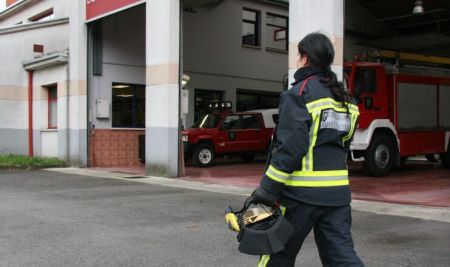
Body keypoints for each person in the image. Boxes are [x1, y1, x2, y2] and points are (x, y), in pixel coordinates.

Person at [250, 32, 364, 267]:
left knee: (276, 254)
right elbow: (345, 142)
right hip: (337, 195)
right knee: (341, 257)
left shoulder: (300, 93)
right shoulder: (346, 100)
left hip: (300, 196)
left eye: (298, 55)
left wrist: (267, 188)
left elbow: (291, 147)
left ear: (304, 59)